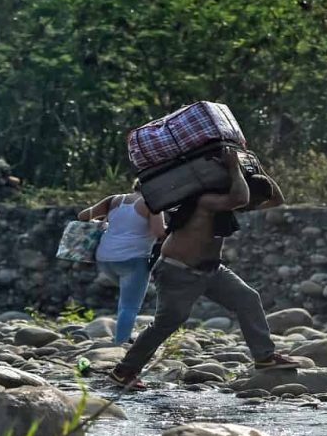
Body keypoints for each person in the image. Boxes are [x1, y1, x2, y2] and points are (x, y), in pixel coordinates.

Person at [108, 148, 297, 390]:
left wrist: (256, 168)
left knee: (248, 298)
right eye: (253, 200)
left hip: (212, 271)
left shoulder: (228, 202)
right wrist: (233, 167)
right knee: (167, 323)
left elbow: (277, 200)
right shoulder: (206, 200)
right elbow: (240, 198)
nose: (253, 206)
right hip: (178, 271)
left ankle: (264, 357)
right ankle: (124, 371)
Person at [77, 180, 166, 345]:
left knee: (126, 300)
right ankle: (121, 343)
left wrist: (105, 224)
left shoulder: (114, 199)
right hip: (132, 259)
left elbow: (83, 216)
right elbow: (159, 232)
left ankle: (123, 334)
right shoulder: (152, 203)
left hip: (104, 258)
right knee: (129, 305)